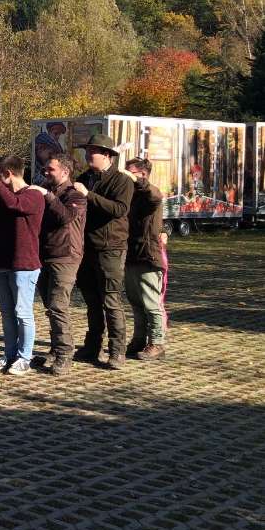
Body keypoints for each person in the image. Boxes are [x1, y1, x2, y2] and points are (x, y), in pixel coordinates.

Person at [73, 134, 135, 369]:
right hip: (85, 247)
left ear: (107, 155)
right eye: (87, 151)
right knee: (91, 299)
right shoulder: (84, 178)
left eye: (93, 152)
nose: (88, 155)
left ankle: (117, 351)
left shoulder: (122, 181)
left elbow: (119, 209)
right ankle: (92, 347)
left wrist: (88, 195)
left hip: (111, 248)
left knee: (111, 300)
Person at [0, 156, 45, 375]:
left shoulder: (34, 195)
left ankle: (25, 356)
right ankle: (9, 354)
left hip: (24, 265)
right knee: (6, 312)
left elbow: (14, 204)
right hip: (1, 263)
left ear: (8, 173)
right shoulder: (0, 196)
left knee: (22, 312)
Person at [34, 152, 86, 376]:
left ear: (65, 172)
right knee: (50, 306)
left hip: (65, 256)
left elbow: (65, 216)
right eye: (45, 169)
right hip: (44, 255)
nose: (46, 172)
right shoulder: (50, 192)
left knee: (58, 305)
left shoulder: (75, 195)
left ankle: (65, 354)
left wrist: (47, 196)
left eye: (50, 169)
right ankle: (56, 349)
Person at [124, 157, 168, 361]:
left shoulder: (151, 193)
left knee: (151, 303)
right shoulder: (130, 196)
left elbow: (155, 197)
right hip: (131, 254)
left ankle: (157, 342)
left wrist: (137, 182)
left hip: (148, 255)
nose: (125, 175)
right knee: (136, 302)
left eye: (130, 172)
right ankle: (139, 340)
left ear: (142, 175)